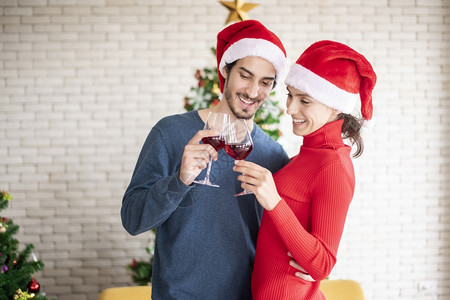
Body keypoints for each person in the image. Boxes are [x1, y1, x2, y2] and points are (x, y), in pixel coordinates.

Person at [121, 20, 294, 299]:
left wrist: (304, 267)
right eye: (245, 75)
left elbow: (286, 236)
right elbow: (132, 220)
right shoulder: (170, 133)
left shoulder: (273, 155)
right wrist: (179, 181)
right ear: (225, 70)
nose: (253, 92)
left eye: (265, 82)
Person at [233, 40, 377, 299]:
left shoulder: (334, 166)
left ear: (334, 106)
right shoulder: (307, 154)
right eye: (290, 94)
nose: (289, 109)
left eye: (305, 100)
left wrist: (274, 202)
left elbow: (322, 264)